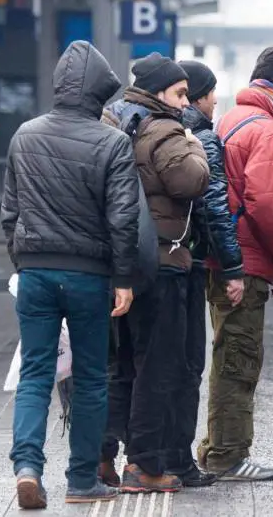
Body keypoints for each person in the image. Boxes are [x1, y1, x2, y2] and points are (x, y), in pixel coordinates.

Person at [1, 40, 139, 508]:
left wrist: (24, 262)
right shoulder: (113, 142)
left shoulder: (25, 134)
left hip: (36, 273)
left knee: (36, 374)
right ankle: (82, 480)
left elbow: (10, 212)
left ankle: (26, 468)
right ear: (100, 93)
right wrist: (123, 279)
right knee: (92, 377)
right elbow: (122, 218)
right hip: (88, 277)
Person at [196, 45, 273, 481]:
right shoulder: (268, 129)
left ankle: (214, 447)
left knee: (228, 352)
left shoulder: (231, 118)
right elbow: (267, 206)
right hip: (245, 263)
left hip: (224, 258)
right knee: (240, 359)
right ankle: (228, 455)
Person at [100, 52, 210, 493]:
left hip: (120, 264)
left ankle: (102, 459)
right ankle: (143, 466)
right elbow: (191, 181)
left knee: (119, 365)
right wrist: (196, 145)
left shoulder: (111, 122)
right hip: (163, 262)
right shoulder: (165, 129)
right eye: (180, 93)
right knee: (156, 366)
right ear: (159, 91)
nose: (186, 102)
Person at [151, 60, 246, 484]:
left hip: (154, 259)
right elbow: (215, 208)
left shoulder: (151, 129)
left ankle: (152, 456)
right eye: (205, 94)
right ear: (200, 96)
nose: (209, 102)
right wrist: (232, 266)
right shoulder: (202, 137)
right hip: (185, 264)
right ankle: (177, 460)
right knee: (187, 363)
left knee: (157, 362)